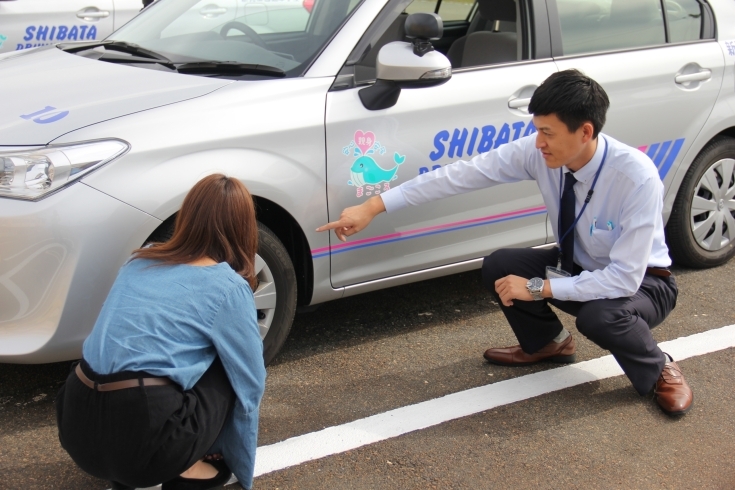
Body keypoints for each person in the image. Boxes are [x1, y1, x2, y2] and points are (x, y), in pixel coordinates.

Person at [317, 70, 692, 416]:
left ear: (585, 132)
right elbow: (460, 175)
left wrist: (538, 288)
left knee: (601, 316)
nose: (539, 142)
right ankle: (549, 343)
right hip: (578, 265)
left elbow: (623, 280)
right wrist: (374, 205)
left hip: (645, 283)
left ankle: (659, 367)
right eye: (536, 130)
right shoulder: (538, 152)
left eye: (548, 132)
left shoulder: (635, 177)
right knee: (500, 264)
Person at [56, 174, 267, 490]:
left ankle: (138, 467)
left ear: (188, 216)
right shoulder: (228, 288)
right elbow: (249, 387)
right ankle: (190, 466)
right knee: (230, 365)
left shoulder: (141, 258)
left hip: (77, 424)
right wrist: (242, 473)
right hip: (147, 442)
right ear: (243, 228)